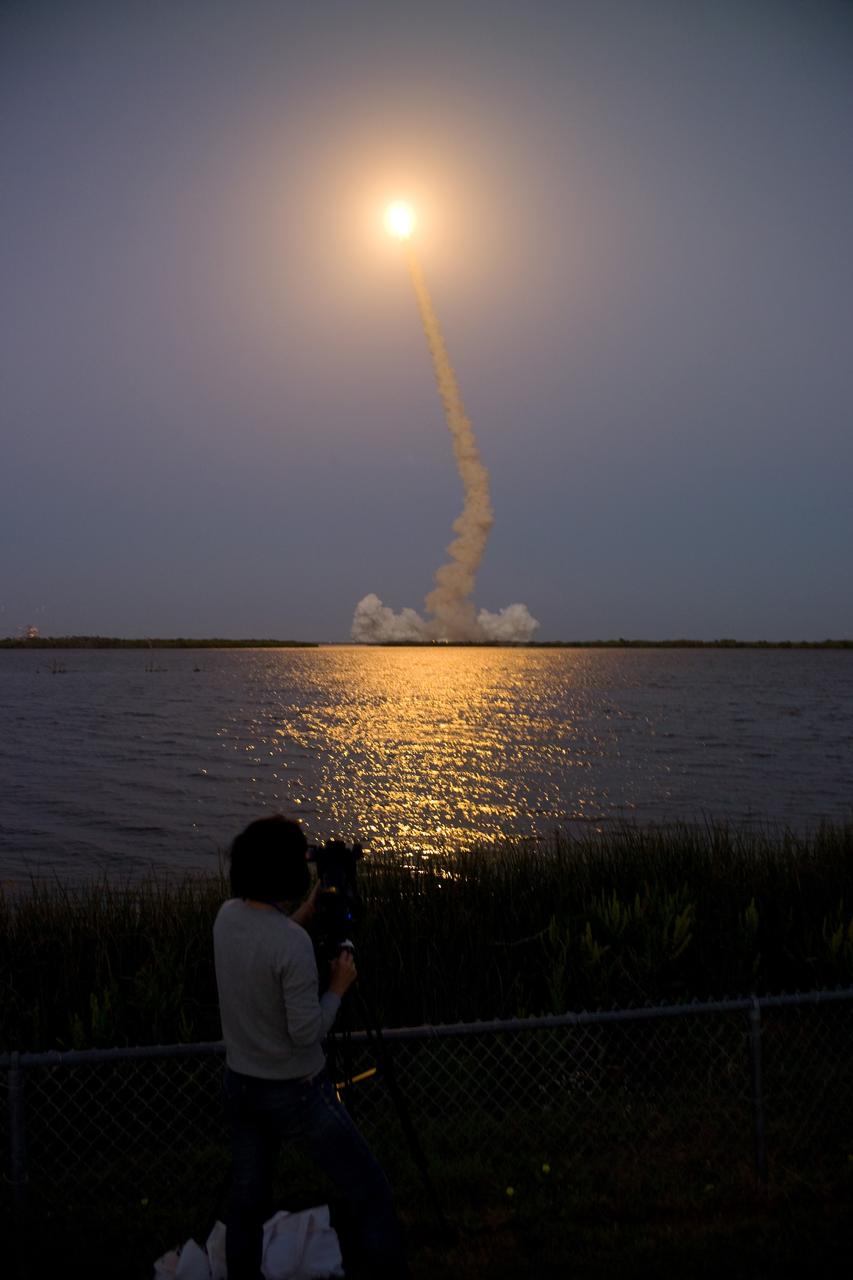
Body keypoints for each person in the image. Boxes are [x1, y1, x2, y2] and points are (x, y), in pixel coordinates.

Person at [213, 814, 407, 1280]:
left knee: (247, 1202)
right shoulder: (293, 947)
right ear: (288, 871)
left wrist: (305, 911)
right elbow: (307, 1033)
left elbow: (270, 940)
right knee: (371, 1191)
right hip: (296, 1092)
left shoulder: (227, 917)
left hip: (240, 1083)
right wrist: (338, 987)